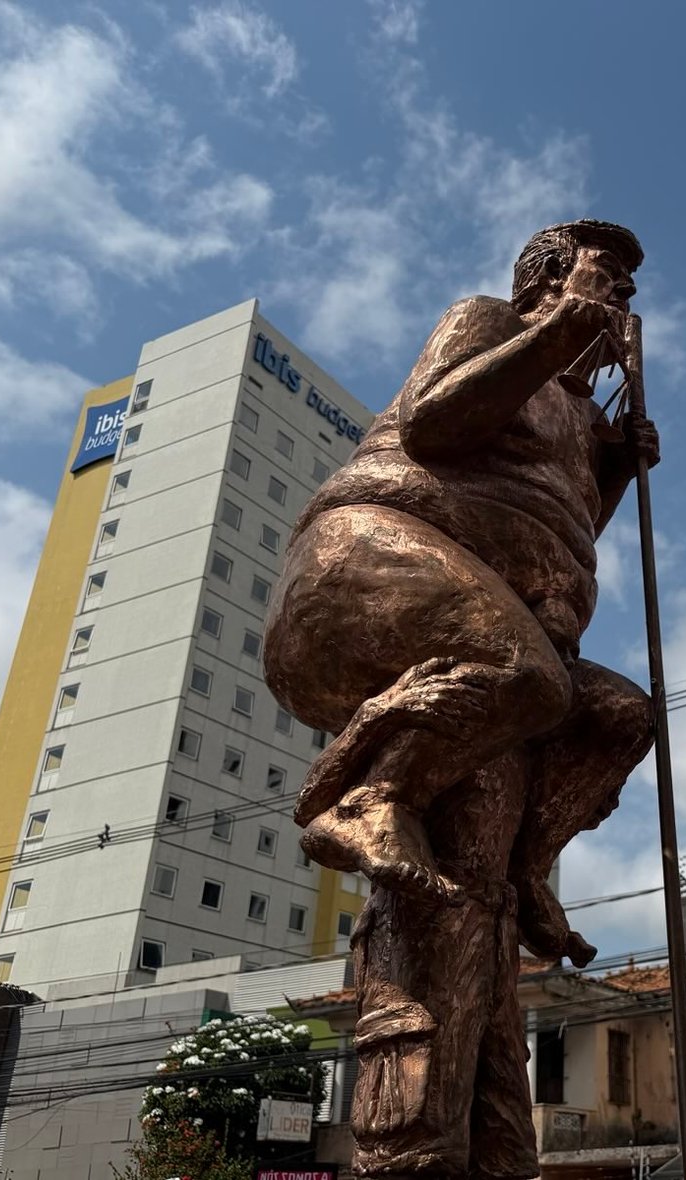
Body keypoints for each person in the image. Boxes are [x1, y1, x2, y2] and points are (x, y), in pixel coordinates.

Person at [263, 220, 657, 1178]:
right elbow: (438, 425)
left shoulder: (577, 412)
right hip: (374, 562)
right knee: (527, 676)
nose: (620, 301)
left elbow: (557, 516)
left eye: (624, 292)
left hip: (493, 619)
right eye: (605, 277)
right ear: (547, 280)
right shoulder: (487, 321)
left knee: (618, 716)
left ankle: (528, 868)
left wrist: (612, 466)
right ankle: (366, 794)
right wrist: (559, 331)